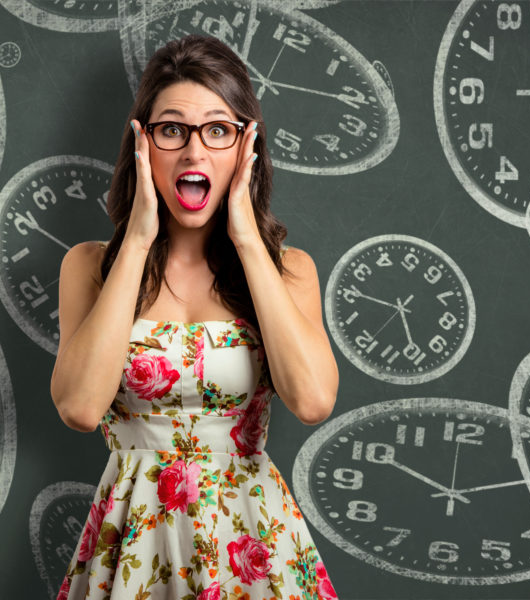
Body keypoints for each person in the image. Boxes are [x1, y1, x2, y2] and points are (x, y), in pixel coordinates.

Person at [50, 34, 339, 600]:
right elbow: (80, 408)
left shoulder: (290, 271)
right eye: (172, 129)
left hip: (253, 546)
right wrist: (136, 240)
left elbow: (312, 402)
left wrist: (249, 241)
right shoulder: (88, 267)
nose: (194, 152)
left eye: (218, 130)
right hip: (133, 543)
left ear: (245, 147)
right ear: (142, 141)